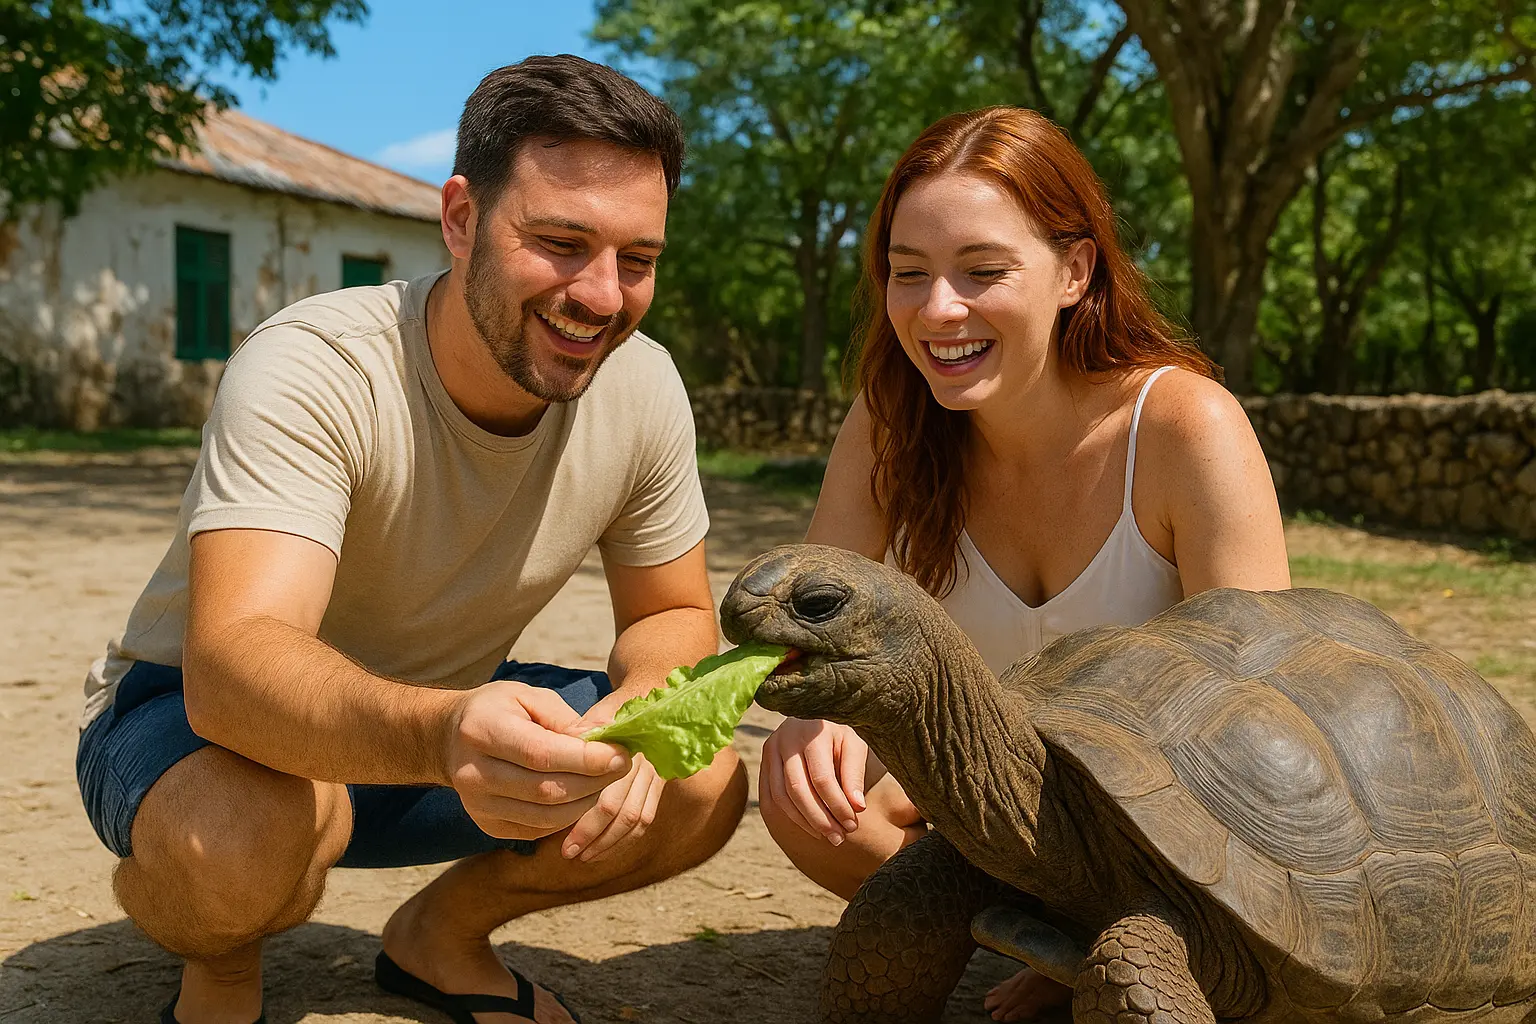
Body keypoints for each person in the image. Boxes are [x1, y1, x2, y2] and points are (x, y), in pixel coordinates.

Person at [74, 55, 748, 1024]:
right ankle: (221, 968)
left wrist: (644, 713)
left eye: (636, 259)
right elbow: (232, 663)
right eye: (561, 241)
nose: (602, 295)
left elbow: (676, 612)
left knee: (702, 774)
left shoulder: (642, 385)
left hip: (441, 729)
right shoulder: (315, 366)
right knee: (242, 837)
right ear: (462, 218)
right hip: (193, 720)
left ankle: (439, 936)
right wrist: (442, 732)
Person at [758, 105, 1291, 1022]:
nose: (937, 311)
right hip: (999, 811)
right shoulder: (889, 419)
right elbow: (815, 616)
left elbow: (1260, 731)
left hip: (1179, 842)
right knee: (814, 795)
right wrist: (816, 715)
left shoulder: (1183, 427)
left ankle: (1113, 958)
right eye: (908, 274)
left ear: (1075, 271)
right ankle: (1064, 954)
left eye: (983, 272)